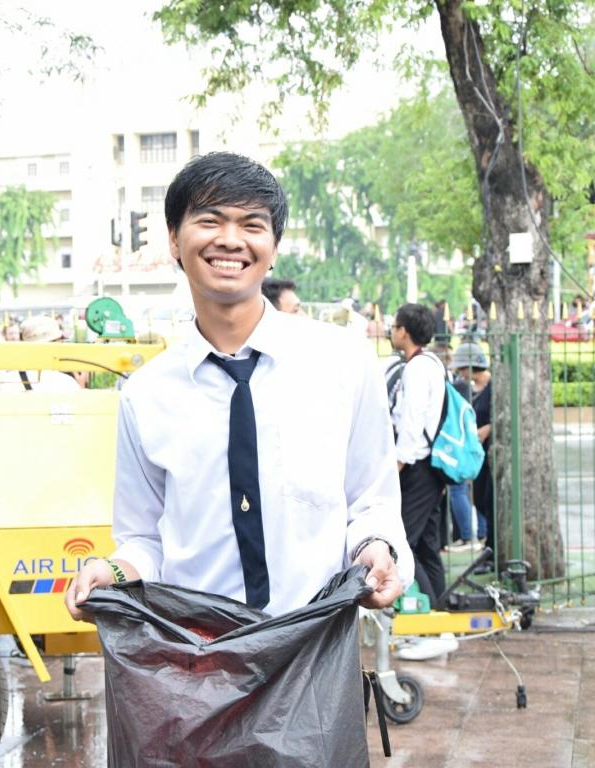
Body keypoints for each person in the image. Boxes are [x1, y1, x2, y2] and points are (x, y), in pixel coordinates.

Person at [66, 152, 412, 629]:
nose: (230, 240)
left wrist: (378, 550)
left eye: (252, 225)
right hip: (196, 658)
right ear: (173, 239)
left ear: (273, 246)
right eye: (210, 220)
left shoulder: (343, 363)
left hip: (315, 648)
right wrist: (113, 571)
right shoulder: (146, 395)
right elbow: (145, 539)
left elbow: (371, 502)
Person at [389, 303, 448, 605]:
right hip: (430, 467)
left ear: (405, 332)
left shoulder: (416, 368)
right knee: (427, 544)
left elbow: (411, 423)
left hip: (418, 467)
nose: (391, 330)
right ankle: (442, 614)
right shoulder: (433, 363)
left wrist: (397, 465)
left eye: (395, 325)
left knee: (404, 542)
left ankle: (430, 613)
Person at [451, 342, 493, 565]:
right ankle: (488, 546)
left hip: (491, 452)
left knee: (488, 499)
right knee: (478, 497)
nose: (460, 373)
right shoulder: (469, 389)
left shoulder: (493, 386)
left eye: (462, 368)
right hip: (475, 453)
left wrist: (489, 428)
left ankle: (489, 545)